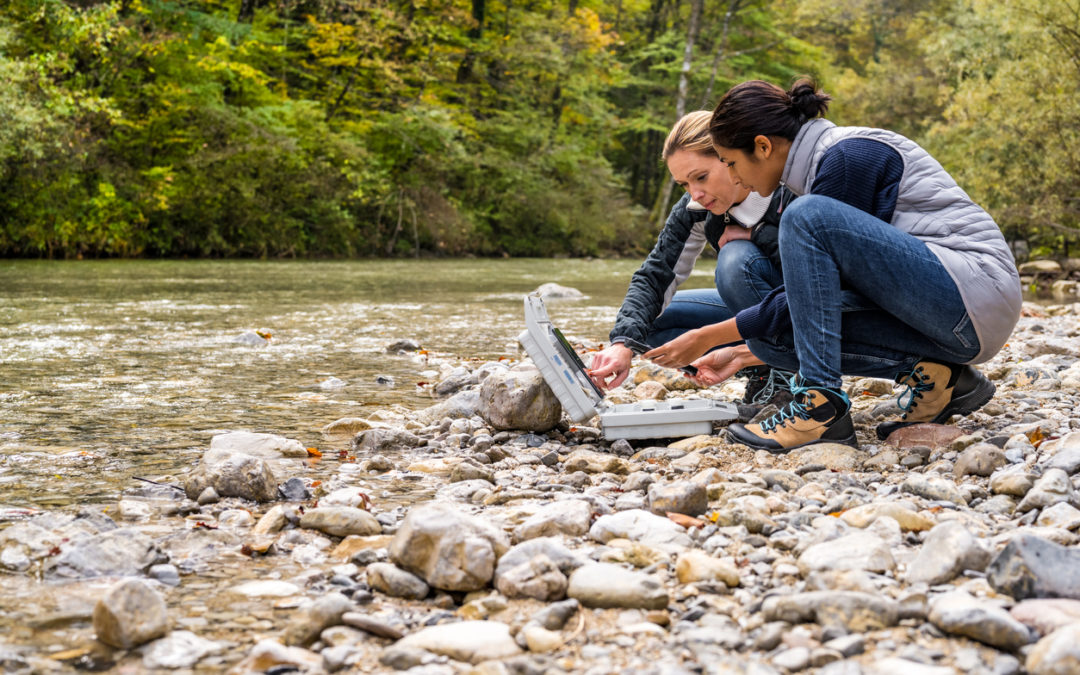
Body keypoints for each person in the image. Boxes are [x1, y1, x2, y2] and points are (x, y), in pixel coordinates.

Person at [646, 78, 1022, 452]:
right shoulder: (812, 170)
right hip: (952, 318)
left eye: (730, 162)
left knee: (806, 218)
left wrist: (713, 335)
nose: (732, 177)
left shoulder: (846, 157)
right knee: (774, 339)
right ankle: (943, 380)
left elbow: (808, 297)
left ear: (762, 146)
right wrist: (747, 348)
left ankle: (820, 407)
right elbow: (815, 300)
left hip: (970, 297)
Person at [587, 111, 794, 409]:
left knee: (736, 260)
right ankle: (762, 371)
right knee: (650, 326)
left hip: (808, 311)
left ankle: (788, 371)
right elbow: (655, 275)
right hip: (755, 314)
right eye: (684, 184)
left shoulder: (787, 188)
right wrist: (622, 345)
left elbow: (820, 279)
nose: (695, 193)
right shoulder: (697, 205)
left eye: (701, 177)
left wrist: (755, 234)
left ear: (729, 156)